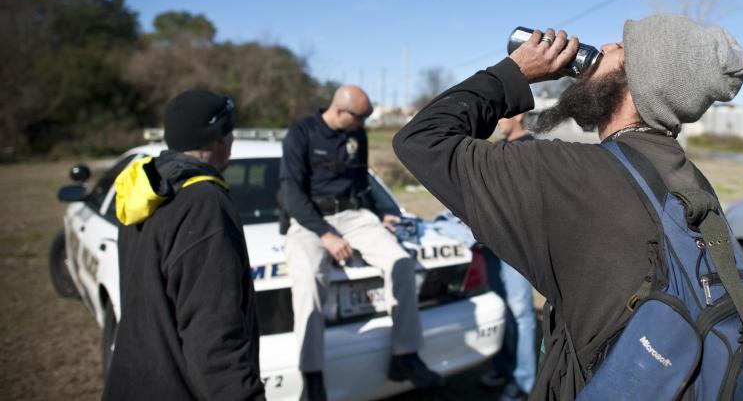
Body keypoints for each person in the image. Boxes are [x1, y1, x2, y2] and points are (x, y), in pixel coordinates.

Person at [393, 14, 743, 401]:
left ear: (638, 83)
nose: (607, 47)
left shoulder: (571, 175)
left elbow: (421, 140)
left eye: (621, 48)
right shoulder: (690, 179)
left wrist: (514, 73)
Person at [278, 85, 441, 401]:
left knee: (400, 262)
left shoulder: (357, 135)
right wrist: (326, 235)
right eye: (361, 116)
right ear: (340, 111)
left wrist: (383, 213)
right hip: (311, 219)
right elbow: (292, 195)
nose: (365, 123)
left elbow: (362, 182)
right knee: (310, 278)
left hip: (353, 216)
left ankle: (405, 357)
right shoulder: (301, 133)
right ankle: (312, 378)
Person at [103, 91, 265, 401]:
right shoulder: (203, 204)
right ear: (220, 138)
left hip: (135, 379)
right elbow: (214, 335)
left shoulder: (149, 191)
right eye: (229, 131)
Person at [478, 113, 538, 401]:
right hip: (490, 240)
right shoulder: (497, 148)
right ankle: (502, 367)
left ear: (520, 115)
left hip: (514, 245)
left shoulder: (530, 151)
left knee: (521, 313)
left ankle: (524, 381)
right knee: (499, 308)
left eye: (504, 113)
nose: (498, 119)